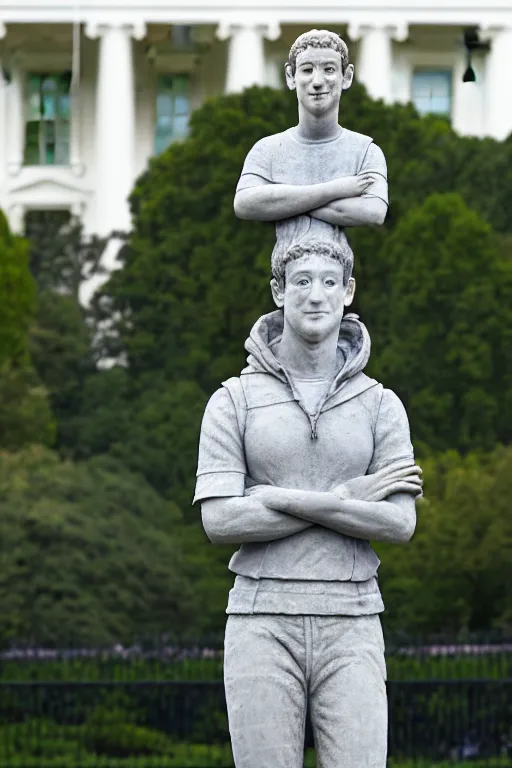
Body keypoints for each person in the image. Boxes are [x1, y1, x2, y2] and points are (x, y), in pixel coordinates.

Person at [194, 234, 422, 768]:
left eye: (328, 283)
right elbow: (221, 520)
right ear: (278, 291)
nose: (315, 296)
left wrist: (278, 499)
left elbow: (398, 523)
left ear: (348, 291)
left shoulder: (380, 404)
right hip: (260, 615)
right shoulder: (234, 400)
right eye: (301, 282)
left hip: (354, 615)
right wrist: (345, 500)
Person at [234, 28, 388, 242]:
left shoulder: (365, 152)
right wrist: (336, 189)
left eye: (329, 69)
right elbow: (244, 203)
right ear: (290, 77)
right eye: (307, 70)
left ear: (347, 77)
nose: (317, 81)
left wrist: (284, 204)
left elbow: (374, 211)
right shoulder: (266, 150)